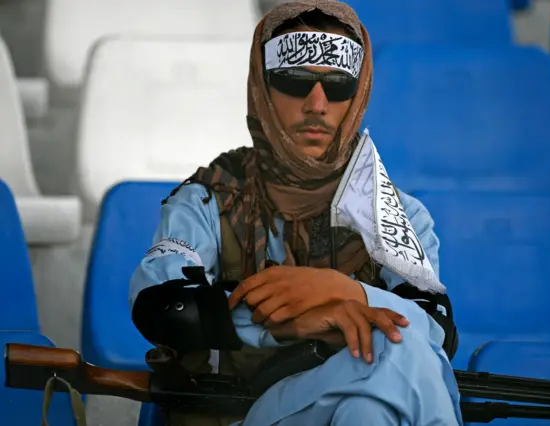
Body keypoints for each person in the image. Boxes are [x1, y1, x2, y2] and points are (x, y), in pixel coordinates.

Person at [129, 1, 462, 425]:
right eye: (295, 81)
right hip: (241, 412)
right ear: (263, 89)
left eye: (339, 87)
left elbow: (436, 325)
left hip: (364, 400)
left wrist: (340, 291)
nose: (317, 104)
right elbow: (164, 306)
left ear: (357, 96)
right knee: (398, 350)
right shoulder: (210, 200)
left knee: (369, 406)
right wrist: (291, 323)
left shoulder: (397, 213)